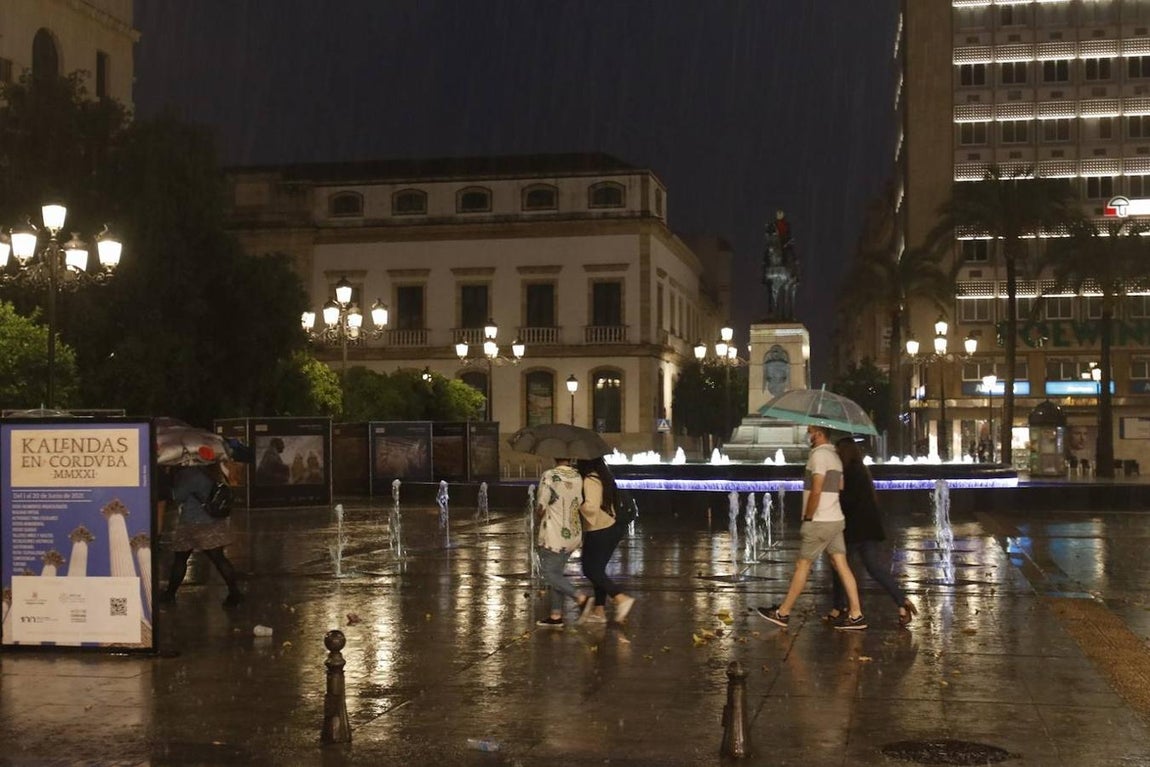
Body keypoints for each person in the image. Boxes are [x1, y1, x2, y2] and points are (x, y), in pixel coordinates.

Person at [757, 425, 867, 630]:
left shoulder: (818, 456)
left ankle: (783, 612)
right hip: (835, 518)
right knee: (841, 565)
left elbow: (816, 489)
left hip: (820, 520)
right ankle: (856, 614)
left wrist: (808, 517)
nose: (808, 434)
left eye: (810, 431)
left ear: (818, 433)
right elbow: (840, 486)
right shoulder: (835, 456)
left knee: (803, 565)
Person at [827, 437, 918, 627]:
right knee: (874, 568)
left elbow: (848, 502)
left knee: (839, 566)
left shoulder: (849, 472)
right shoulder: (861, 470)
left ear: (843, 452)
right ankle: (902, 601)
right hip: (868, 528)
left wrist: (835, 491)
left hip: (854, 530)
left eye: (837, 451)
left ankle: (839, 607)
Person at [160, 463, 244, 607]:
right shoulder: (213, 470)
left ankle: (170, 594)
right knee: (219, 559)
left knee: (180, 559)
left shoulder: (190, 473)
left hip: (192, 523)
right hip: (213, 522)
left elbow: (177, 496)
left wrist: (170, 480)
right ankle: (235, 593)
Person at [576, 456, 636, 624]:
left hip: (600, 528)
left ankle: (620, 597)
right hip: (610, 527)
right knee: (598, 570)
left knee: (590, 569)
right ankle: (599, 611)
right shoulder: (603, 475)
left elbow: (591, 507)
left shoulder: (591, 479)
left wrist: (576, 504)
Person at [534, 457, 587, 628]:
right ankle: (556, 616)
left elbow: (541, 506)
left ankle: (580, 597)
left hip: (554, 534)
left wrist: (537, 515)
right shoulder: (578, 476)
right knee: (557, 573)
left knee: (548, 573)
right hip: (573, 534)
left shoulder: (549, 475)